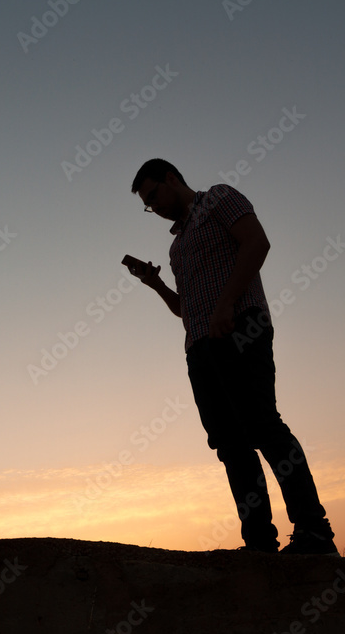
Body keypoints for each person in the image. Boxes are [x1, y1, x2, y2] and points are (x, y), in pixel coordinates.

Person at [127, 158, 337, 555]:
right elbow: (185, 308)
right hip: (200, 349)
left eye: (154, 196)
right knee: (230, 445)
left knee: (263, 426)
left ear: (172, 178)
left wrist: (226, 305)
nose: (154, 208)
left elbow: (257, 242)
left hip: (242, 327)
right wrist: (154, 284)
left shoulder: (219, 198)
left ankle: (315, 532)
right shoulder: (175, 248)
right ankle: (259, 545)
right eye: (147, 205)